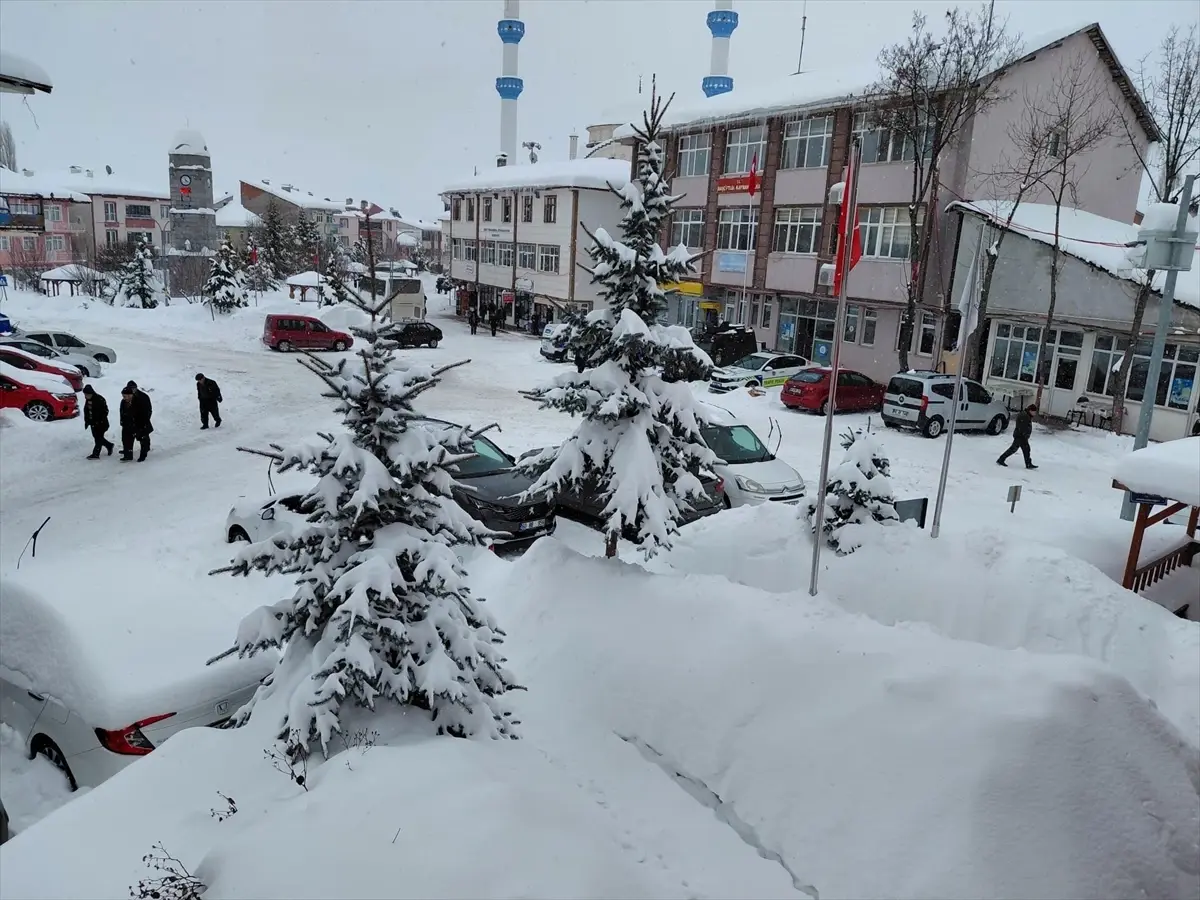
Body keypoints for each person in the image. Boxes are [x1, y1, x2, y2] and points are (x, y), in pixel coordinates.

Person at [997, 404, 1038, 469]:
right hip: (1020, 436)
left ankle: (1028, 464)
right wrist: (1024, 435)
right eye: (1034, 412)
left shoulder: (1027, 415)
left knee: (1025, 450)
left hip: (1022, 436)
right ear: (1030, 410)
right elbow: (1022, 427)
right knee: (1014, 449)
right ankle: (1001, 459)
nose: (1035, 414)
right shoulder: (1024, 416)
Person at [120, 381, 153, 462]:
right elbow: (122, 412)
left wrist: (144, 422)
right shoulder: (124, 401)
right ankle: (128, 453)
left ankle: (144, 453)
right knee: (126, 438)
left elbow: (147, 411)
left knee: (143, 438)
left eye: (133, 388)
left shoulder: (142, 398)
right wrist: (122, 422)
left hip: (141, 423)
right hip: (129, 424)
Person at [81, 385, 114, 459]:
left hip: (101, 424)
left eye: (88, 394)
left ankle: (96, 454)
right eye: (85, 395)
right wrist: (87, 421)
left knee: (98, 439)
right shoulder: (88, 400)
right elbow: (87, 411)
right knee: (98, 437)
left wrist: (99, 421)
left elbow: (105, 411)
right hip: (93, 423)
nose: (86, 396)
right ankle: (109, 445)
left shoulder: (99, 399)